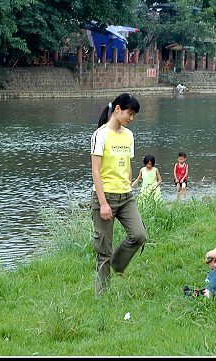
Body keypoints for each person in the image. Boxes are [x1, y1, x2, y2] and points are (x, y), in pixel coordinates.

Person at [89, 93, 146, 294]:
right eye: (129, 113)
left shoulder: (129, 135)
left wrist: (130, 186)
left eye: (133, 115)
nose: (131, 118)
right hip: (105, 197)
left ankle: (118, 262)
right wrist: (103, 203)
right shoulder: (100, 135)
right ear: (118, 109)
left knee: (139, 234)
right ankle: (102, 298)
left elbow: (128, 165)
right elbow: (95, 171)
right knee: (103, 251)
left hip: (125, 196)